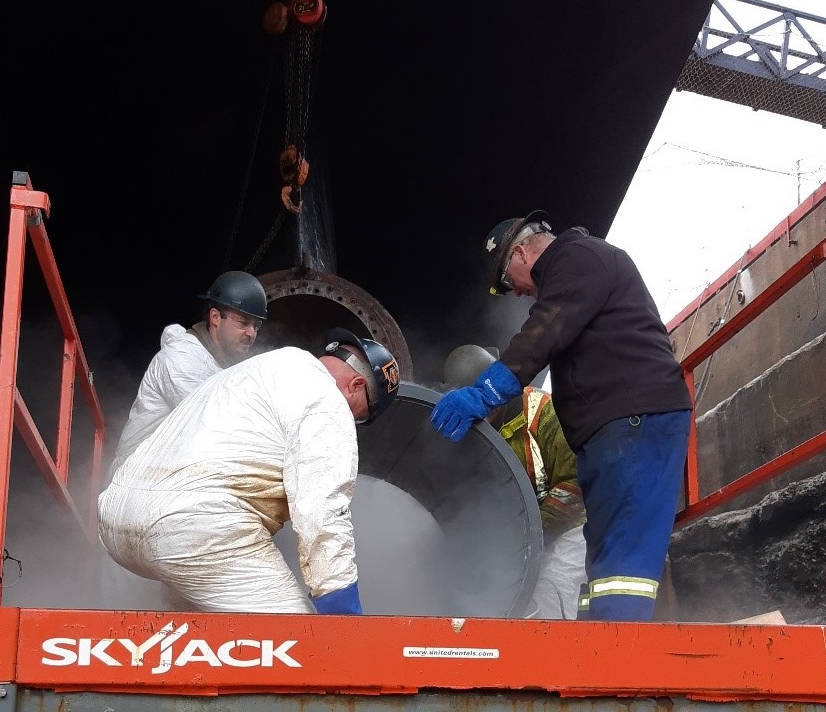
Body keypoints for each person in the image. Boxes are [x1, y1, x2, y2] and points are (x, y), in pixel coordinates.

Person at [431, 214, 692, 622]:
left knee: (624, 560)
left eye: (506, 281)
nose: (514, 294)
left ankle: (616, 666)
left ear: (519, 252)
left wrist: (486, 392)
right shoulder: (577, 269)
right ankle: (594, 653)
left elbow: (544, 331)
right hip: (613, 428)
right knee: (603, 563)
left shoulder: (578, 256)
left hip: (636, 420)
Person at [98, 328, 400, 614]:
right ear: (355, 386)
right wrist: (340, 604)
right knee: (303, 648)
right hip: (192, 527)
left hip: (117, 517)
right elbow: (323, 510)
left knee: (196, 632)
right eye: (359, 415)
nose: (352, 420)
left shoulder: (260, 368)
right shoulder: (327, 401)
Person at [443, 343, 587, 621]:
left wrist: (532, 534)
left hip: (575, 526)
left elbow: (575, 483)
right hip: (531, 537)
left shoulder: (543, 414)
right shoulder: (478, 431)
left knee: (551, 588)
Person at [108, 270, 269, 477]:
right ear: (215, 317)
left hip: (163, 472)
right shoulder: (182, 358)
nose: (251, 333)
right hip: (134, 476)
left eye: (256, 325)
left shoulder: (217, 364)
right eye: (243, 322)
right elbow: (213, 426)